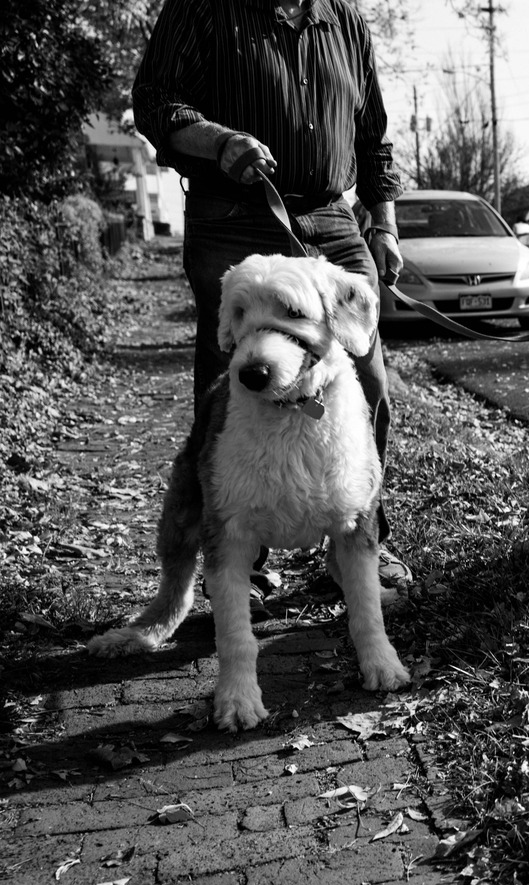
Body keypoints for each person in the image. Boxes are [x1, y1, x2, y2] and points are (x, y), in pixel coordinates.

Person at [133, 0, 411, 596]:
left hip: (332, 219)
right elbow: (154, 100)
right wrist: (219, 141)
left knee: (371, 385)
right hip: (233, 217)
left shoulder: (344, 18)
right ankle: (236, 558)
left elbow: (373, 135)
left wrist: (383, 224)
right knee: (228, 391)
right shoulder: (202, 7)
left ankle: (355, 543)